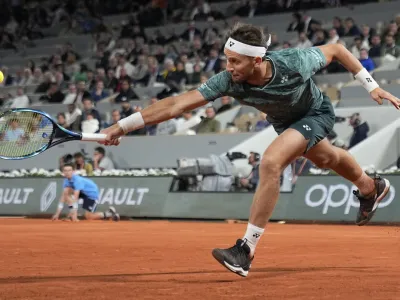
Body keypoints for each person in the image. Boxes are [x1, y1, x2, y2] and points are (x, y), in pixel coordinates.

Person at [100, 23, 398, 277]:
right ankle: (370, 186)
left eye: (235, 62)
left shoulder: (294, 62)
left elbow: (336, 49)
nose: (228, 68)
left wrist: (370, 85)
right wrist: (123, 126)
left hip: (315, 113)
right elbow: (177, 104)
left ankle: (246, 249)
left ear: (256, 60)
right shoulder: (228, 80)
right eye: (226, 60)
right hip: (284, 121)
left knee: (270, 162)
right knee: (327, 157)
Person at [52, 164, 120, 222]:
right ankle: (71, 215)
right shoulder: (66, 181)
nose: (67, 172)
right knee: (65, 193)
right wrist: (57, 214)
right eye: (65, 170)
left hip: (91, 194)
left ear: (73, 171)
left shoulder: (77, 180)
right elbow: (63, 197)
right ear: (63, 172)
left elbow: (75, 199)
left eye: (69, 170)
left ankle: (109, 214)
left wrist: (74, 216)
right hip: (83, 193)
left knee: (89, 217)